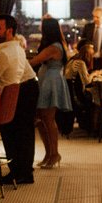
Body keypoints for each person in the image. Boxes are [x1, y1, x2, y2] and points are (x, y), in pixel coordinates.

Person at [0, 14, 39, 184]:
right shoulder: (13, 46)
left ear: (9, 31)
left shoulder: (6, 51)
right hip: (26, 86)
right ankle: (23, 170)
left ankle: (20, 172)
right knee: (22, 132)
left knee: (17, 132)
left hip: (24, 88)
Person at [30, 17, 72, 168]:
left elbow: (35, 61)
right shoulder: (56, 44)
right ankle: (49, 153)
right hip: (47, 80)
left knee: (48, 119)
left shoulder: (54, 47)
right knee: (42, 119)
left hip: (51, 82)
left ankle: (54, 153)